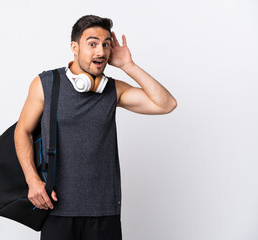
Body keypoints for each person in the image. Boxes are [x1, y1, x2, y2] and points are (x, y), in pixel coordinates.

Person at [14, 15, 177, 240]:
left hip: (104, 212)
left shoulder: (113, 90)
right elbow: (22, 131)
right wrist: (33, 180)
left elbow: (166, 104)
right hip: (56, 209)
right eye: (92, 44)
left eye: (106, 44)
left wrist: (128, 66)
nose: (101, 52)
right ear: (74, 47)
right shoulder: (46, 84)